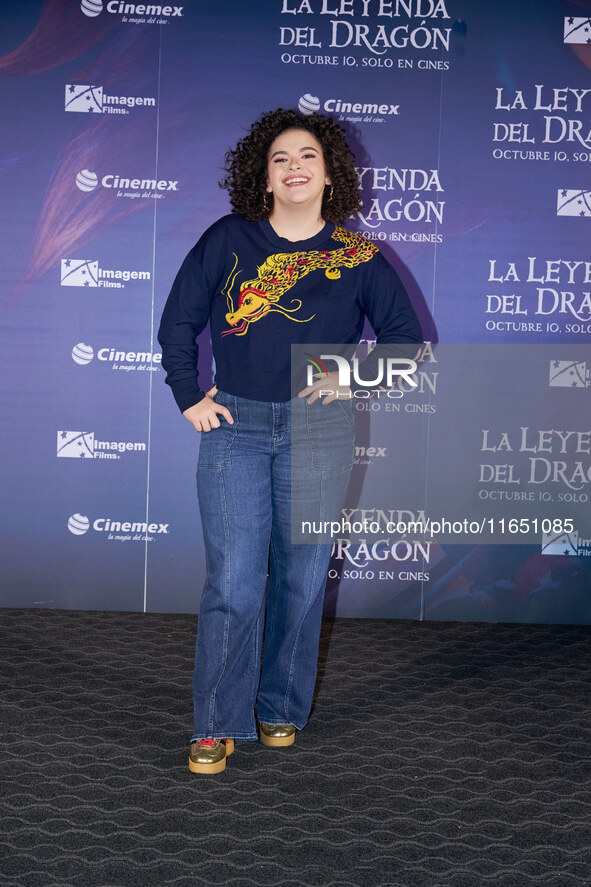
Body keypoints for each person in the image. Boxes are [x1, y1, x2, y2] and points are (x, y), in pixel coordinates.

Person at [158, 108, 422, 774]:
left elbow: (406, 342)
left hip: (319, 430)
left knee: (301, 578)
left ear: (330, 175)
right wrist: (189, 394)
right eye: (280, 158)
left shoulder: (359, 255)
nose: (294, 166)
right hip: (235, 427)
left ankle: (279, 705)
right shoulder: (229, 240)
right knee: (233, 583)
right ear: (264, 175)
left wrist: (346, 377)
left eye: (307, 156)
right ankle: (216, 721)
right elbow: (176, 324)